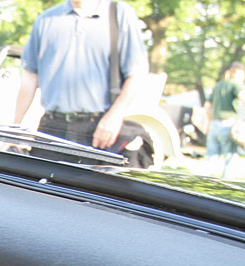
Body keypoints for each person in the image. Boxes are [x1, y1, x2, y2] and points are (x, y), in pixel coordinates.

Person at [14, 0, 153, 167]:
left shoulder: (118, 14)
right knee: (42, 190)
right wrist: (16, 129)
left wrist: (113, 117)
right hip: (52, 127)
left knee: (94, 192)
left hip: (99, 129)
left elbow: (136, 74)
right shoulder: (46, 19)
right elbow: (30, 77)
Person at [204, 62, 245, 177]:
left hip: (213, 125)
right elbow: (244, 98)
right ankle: (226, 186)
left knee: (211, 158)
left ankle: (198, 186)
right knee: (230, 158)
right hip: (227, 125)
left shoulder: (218, 85)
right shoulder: (235, 84)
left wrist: (208, 123)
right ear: (238, 72)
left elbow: (207, 106)